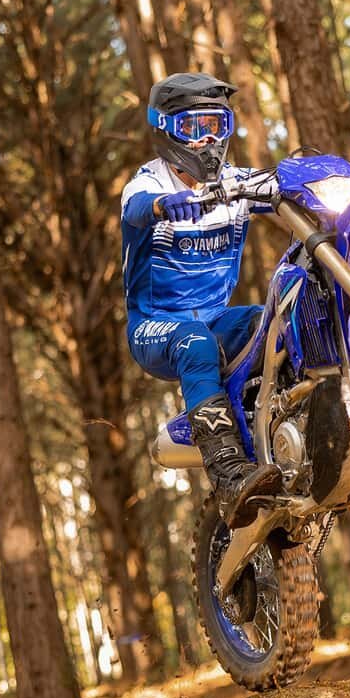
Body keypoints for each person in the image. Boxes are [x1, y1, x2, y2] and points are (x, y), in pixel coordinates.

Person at [120, 72, 282, 527]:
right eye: (194, 127)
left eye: (217, 126)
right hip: (154, 326)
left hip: (215, 318)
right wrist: (162, 206)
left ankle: (281, 431)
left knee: (275, 322)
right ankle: (227, 474)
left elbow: (281, 185)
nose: (208, 139)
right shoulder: (146, 183)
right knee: (195, 342)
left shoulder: (235, 182)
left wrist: (322, 180)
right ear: (166, 129)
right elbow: (136, 206)